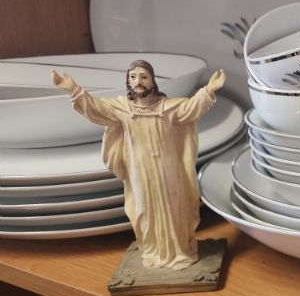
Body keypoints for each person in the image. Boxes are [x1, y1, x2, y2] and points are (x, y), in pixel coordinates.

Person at [52, 61, 226, 270]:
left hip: (167, 170)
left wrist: (209, 90)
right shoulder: (122, 108)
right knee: (144, 210)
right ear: (128, 81)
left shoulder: (167, 107)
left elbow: (190, 108)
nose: (138, 81)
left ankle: (178, 251)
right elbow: (96, 108)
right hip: (139, 171)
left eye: (143, 77)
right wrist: (73, 89)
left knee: (173, 209)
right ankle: (153, 250)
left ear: (152, 81)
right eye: (133, 77)